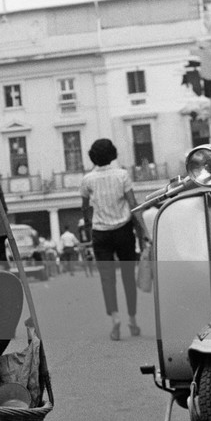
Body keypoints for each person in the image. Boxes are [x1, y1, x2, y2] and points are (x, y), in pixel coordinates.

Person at [81, 138, 150, 340]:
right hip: (123, 231)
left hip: (100, 233)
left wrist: (89, 223)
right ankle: (133, 320)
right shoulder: (122, 175)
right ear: (112, 154)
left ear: (93, 156)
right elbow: (133, 205)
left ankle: (115, 319)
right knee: (128, 276)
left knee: (107, 279)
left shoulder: (87, 180)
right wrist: (144, 230)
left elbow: (85, 207)